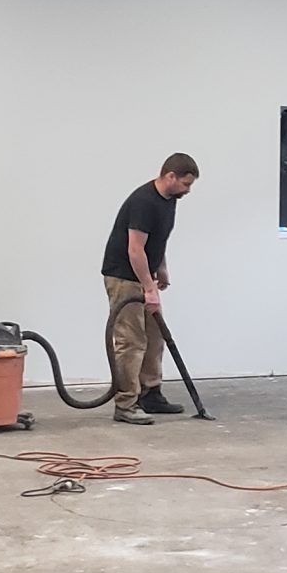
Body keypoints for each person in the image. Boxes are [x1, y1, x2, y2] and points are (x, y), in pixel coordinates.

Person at [100, 155, 199, 425]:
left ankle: (150, 393)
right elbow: (135, 249)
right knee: (131, 341)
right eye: (186, 184)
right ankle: (126, 404)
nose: (188, 190)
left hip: (144, 275)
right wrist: (148, 288)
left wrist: (162, 268)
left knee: (155, 337)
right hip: (124, 277)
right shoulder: (144, 202)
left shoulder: (169, 201)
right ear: (170, 177)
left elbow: (158, 239)